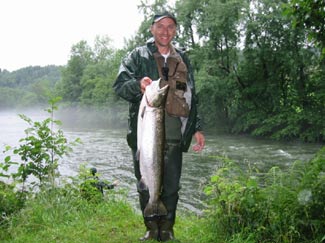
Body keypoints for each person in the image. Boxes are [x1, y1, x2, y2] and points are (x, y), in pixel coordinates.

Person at [113, 11, 205, 242]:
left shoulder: (183, 57)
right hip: (146, 134)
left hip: (175, 132)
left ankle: (167, 229)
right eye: (160, 26)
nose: (165, 31)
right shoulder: (138, 55)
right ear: (152, 29)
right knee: (146, 182)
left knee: (172, 184)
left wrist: (197, 127)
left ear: (175, 31)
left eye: (170, 27)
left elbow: (192, 95)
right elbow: (120, 86)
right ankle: (151, 227)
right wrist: (138, 85)